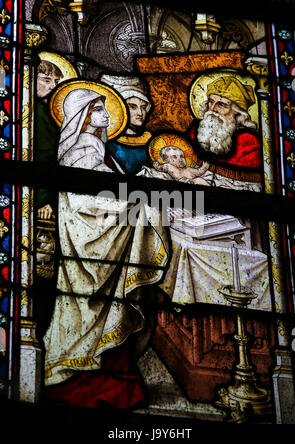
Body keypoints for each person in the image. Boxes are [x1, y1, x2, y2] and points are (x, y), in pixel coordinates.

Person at [43, 85, 170, 409]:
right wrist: (141, 202)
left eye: (104, 107)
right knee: (91, 312)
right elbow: (91, 202)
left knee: (100, 316)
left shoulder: (94, 148)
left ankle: (112, 386)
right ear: (83, 117)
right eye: (99, 108)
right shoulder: (82, 149)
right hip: (89, 249)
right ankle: (88, 388)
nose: (107, 114)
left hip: (99, 245)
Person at [188, 76, 262, 192]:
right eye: (211, 102)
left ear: (237, 113)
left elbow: (252, 188)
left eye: (221, 105)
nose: (213, 109)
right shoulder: (195, 130)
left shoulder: (248, 142)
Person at [101, 75, 152, 174]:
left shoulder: (152, 141)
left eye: (143, 107)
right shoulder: (107, 143)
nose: (140, 113)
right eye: (133, 107)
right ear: (118, 108)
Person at [36, 60, 64, 220]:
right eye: (46, 80)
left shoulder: (49, 111)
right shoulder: (38, 112)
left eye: (56, 82)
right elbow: (43, 156)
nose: (53, 86)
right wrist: (43, 199)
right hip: (40, 191)